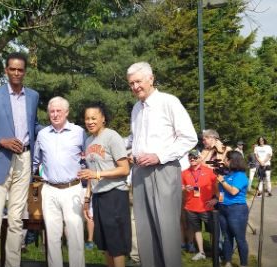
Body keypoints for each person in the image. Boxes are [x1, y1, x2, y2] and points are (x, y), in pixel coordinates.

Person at [127, 62, 197, 267]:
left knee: (166, 232)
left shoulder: (169, 102)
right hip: (140, 173)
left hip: (164, 171)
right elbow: (133, 139)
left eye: (138, 81)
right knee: (144, 231)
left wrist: (159, 155)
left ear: (151, 78)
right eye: (131, 83)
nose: (135, 87)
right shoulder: (136, 109)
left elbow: (189, 138)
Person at [0, 52, 40, 267]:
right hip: (0, 160)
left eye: (20, 69)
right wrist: (1, 141)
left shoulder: (33, 96)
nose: (16, 73)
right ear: (6, 70)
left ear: (25, 72)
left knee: (15, 220)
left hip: (24, 159)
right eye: (12, 69)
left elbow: (35, 126)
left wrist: (57, 130)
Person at [33, 96, 85, 267]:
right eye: (52, 111)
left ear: (67, 112)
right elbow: (35, 161)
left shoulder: (79, 132)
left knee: (75, 234)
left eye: (58, 111)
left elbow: (87, 158)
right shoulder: (42, 134)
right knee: (52, 236)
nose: (55, 114)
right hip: (49, 189)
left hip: (72, 188)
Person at [78, 102, 131, 267]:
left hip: (114, 195)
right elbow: (90, 172)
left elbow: (124, 169)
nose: (90, 121)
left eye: (94, 118)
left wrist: (98, 174)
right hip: (98, 196)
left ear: (103, 119)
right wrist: (87, 200)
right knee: (105, 243)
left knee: (116, 243)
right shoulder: (88, 141)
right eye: (87, 118)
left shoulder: (112, 136)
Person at [181, 149, 218, 261]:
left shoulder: (210, 171)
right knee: (197, 230)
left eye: (195, 157)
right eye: (190, 157)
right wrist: (184, 189)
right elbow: (181, 187)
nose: (192, 159)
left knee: (212, 231)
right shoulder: (184, 173)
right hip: (190, 207)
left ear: (200, 158)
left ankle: (215, 252)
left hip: (206, 207)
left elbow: (219, 188)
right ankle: (201, 252)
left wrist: (216, 199)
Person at [216, 151, 249, 267]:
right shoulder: (227, 174)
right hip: (223, 208)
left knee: (240, 239)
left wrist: (222, 181)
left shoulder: (240, 175)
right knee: (227, 237)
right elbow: (222, 192)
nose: (224, 161)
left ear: (232, 160)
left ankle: (244, 264)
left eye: (226, 159)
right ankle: (228, 262)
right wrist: (218, 200)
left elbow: (233, 191)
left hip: (237, 210)